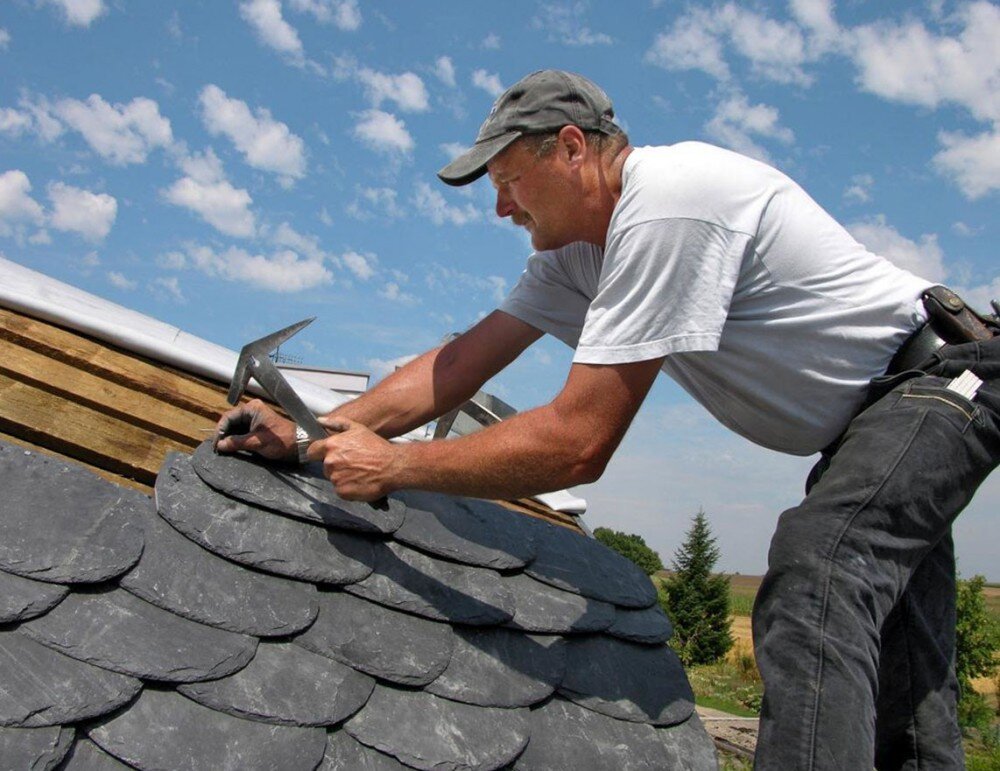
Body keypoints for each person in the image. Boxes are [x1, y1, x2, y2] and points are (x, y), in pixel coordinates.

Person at [216, 70, 999, 769]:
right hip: (878, 422)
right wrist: (312, 432)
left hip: (941, 376)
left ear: (569, 149)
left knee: (817, 571)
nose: (499, 206)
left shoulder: (669, 205)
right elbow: (456, 365)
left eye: (508, 180)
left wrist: (397, 465)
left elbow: (578, 443)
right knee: (900, 663)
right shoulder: (578, 256)